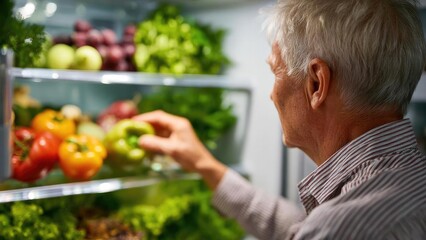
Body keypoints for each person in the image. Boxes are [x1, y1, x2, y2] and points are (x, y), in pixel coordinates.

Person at [133, 0, 426, 239]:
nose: (273, 95)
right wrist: (207, 167)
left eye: (276, 72)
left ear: (316, 84)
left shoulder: (341, 228)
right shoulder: (409, 174)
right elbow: (299, 230)